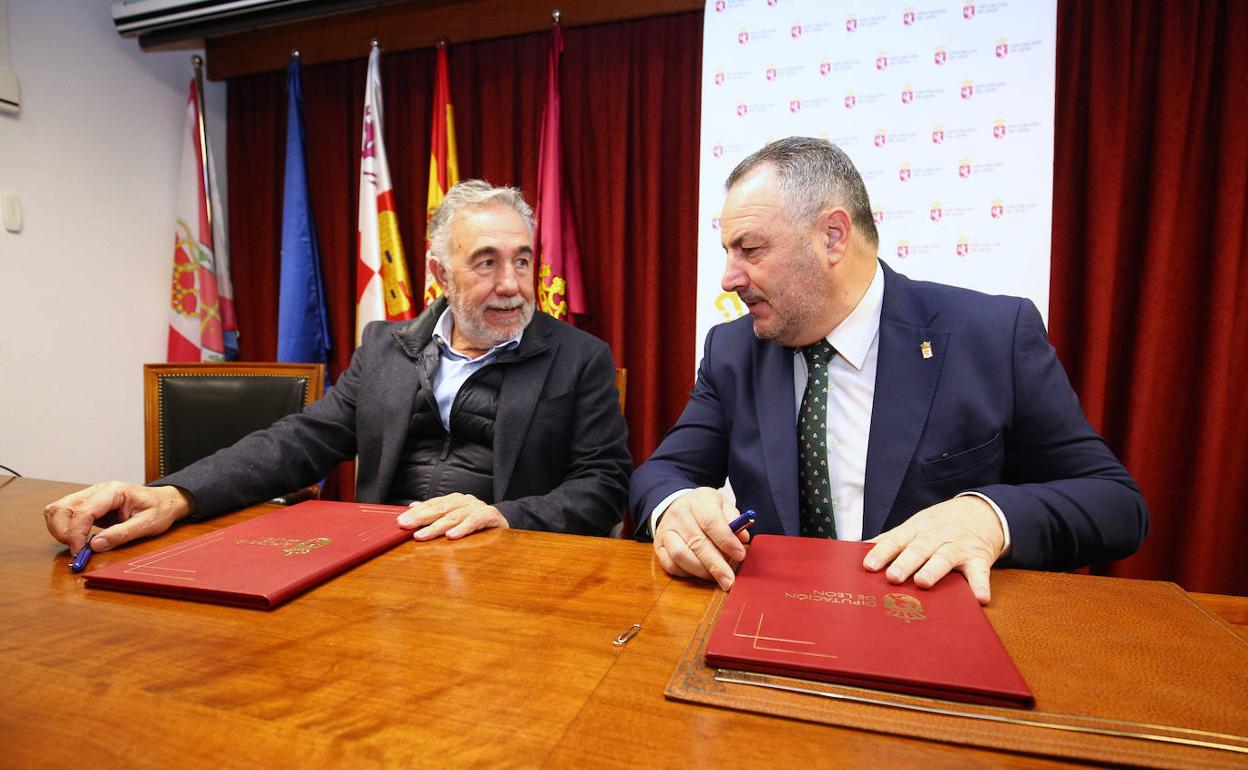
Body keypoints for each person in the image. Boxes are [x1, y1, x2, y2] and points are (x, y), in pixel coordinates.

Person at [630, 137, 1147, 604]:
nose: (728, 278)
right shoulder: (732, 350)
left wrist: (988, 516)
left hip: (936, 640)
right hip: (773, 630)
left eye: (751, 249)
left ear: (833, 237)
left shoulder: (991, 335)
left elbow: (1116, 505)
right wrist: (675, 508)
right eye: (727, 251)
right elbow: (661, 474)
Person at [45, 180, 630, 555]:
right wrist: (177, 494)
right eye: (486, 263)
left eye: (522, 260)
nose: (511, 285)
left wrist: (502, 517)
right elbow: (297, 443)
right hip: (373, 563)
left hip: (508, 570)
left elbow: (603, 488)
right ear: (438, 275)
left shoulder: (579, 358)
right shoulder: (385, 347)